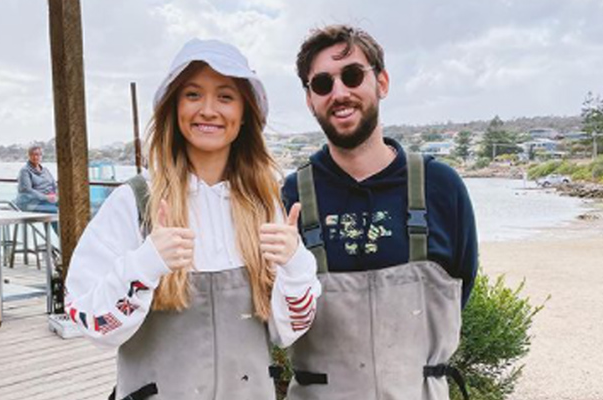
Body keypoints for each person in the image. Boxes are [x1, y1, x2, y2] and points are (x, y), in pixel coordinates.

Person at [65, 38, 320, 400]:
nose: (209, 110)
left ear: (245, 112)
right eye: (193, 94)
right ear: (174, 107)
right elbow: (90, 321)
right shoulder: (135, 201)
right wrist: (145, 264)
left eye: (226, 96)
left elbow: (287, 332)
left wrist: (295, 265)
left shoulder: (265, 207)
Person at [281, 25, 478, 400]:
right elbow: (280, 311)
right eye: (322, 84)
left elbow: (460, 286)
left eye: (353, 75)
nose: (339, 93)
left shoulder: (441, 186)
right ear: (310, 100)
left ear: (382, 82)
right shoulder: (290, 196)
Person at [15, 145, 58, 214]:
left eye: (38, 155)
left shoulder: (45, 170)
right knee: (56, 211)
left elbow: (54, 185)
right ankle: (60, 225)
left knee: (68, 205)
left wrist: (56, 194)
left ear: (41, 156)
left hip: (48, 199)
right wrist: (46, 197)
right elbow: (27, 190)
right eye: (32, 155)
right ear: (29, 156)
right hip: (31, 202)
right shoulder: (25, 171)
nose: (35, 157)